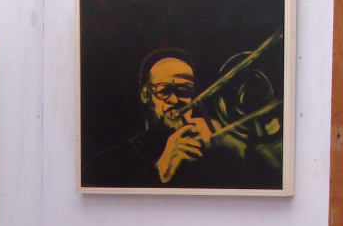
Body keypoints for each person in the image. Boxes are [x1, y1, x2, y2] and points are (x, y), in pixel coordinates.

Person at [83, 47, 281, 189]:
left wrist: (237, 151)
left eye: (184, 90)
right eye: (165, 90)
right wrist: (160, 172)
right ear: (145, 95)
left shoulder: (215, 154)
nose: (176, 100)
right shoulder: (109, 162)